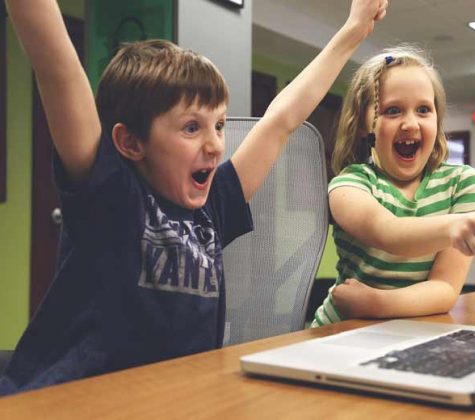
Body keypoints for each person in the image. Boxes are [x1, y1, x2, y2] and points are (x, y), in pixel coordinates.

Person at [0, 0, 388, 395]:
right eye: (191, 128)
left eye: (218, 125)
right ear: (130, 142)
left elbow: (281, 120)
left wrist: (354, 30)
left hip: (171, 398)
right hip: (66, 401)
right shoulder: (110, 192)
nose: (215, 145)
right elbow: (57, 69)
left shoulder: (213, 205)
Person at [311, 45, 475, 327]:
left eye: (424, 110)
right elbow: (389, 233)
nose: (410, 123)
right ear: (365, 124)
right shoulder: (349, 185)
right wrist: (456, 226)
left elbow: (445, 289)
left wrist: (374, 304)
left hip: (408, 331)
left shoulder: (463, 183)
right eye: (393, 110)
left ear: (437, 119)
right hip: (340, 330)